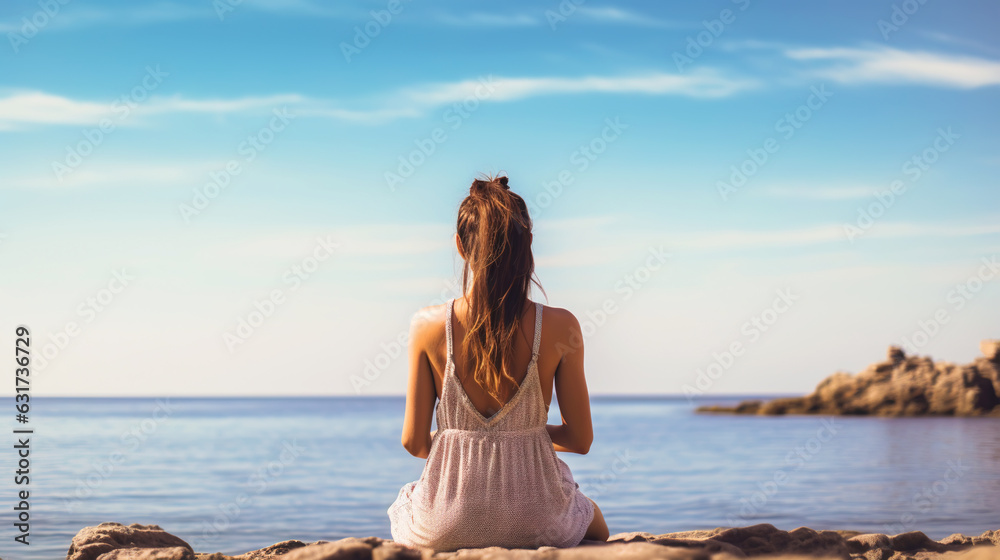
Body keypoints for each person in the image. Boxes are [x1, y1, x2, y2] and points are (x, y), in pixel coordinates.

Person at [388, 175, 609, 551]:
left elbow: (413, 441)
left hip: (445, 523)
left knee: (408, 502)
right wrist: (524, 439)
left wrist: (462, 445)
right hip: (539, 518)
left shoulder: (426, 326)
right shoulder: (559, 326)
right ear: (530, 245)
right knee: (597, 527)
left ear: (460, 246)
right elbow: (580, 440)